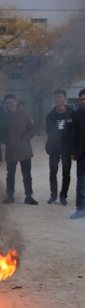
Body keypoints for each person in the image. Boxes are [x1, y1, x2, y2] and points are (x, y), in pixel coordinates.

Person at [3, 94, 38, 205]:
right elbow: (0, 132)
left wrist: (26, 138)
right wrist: (6, 141)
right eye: (7, 103)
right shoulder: (5, 116)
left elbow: (32, 129)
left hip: (24, 149)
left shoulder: (25, 114)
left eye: (11, 102)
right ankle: (10, 195)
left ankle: (28, 196)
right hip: (11, 149)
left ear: (16, 102)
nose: (10, 105)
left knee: (27, 174)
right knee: (10, 175)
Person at [45, 89, 74, 205]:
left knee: (66, 173)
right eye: (56, 97)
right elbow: (48, 130)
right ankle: (53, 195)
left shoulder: (72, 114)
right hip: (54, 147)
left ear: (65, 99)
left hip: (67, 148)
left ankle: (63, 196)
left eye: (60, 97)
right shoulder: (50, 115)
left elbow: (74, 131)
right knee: (53, 172)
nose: (58, 99)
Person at [70, 88, 85, 219]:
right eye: (81, 99)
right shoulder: (78, 114)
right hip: (82, 154)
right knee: (81, 182)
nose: (83, 101)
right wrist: (73, 151)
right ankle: (80, 209)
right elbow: (73, 134)